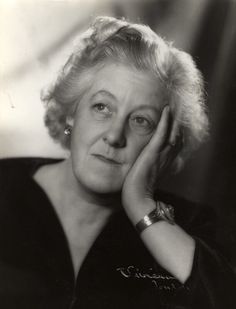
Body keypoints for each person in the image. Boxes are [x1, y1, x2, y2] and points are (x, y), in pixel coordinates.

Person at [0, 16, 235, 309]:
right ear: (73, 113)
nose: (114, 136)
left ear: (166, 140)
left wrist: (141, 206)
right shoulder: (4, 186)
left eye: (141, 121)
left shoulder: (189, 226)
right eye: (102, 107)